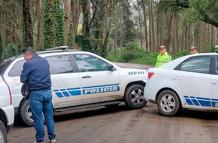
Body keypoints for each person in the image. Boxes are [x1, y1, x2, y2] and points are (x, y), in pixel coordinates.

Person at [20, 47, 56, 143]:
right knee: (49, 116)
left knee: (38, 118)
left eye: (24, 56)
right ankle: (52, 138)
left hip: (36, 94)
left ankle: (40, 140)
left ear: (29, 54)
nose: (24, 59)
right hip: (48, 92)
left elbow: (22, 79)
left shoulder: (28, 63)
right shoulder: (45, 61)